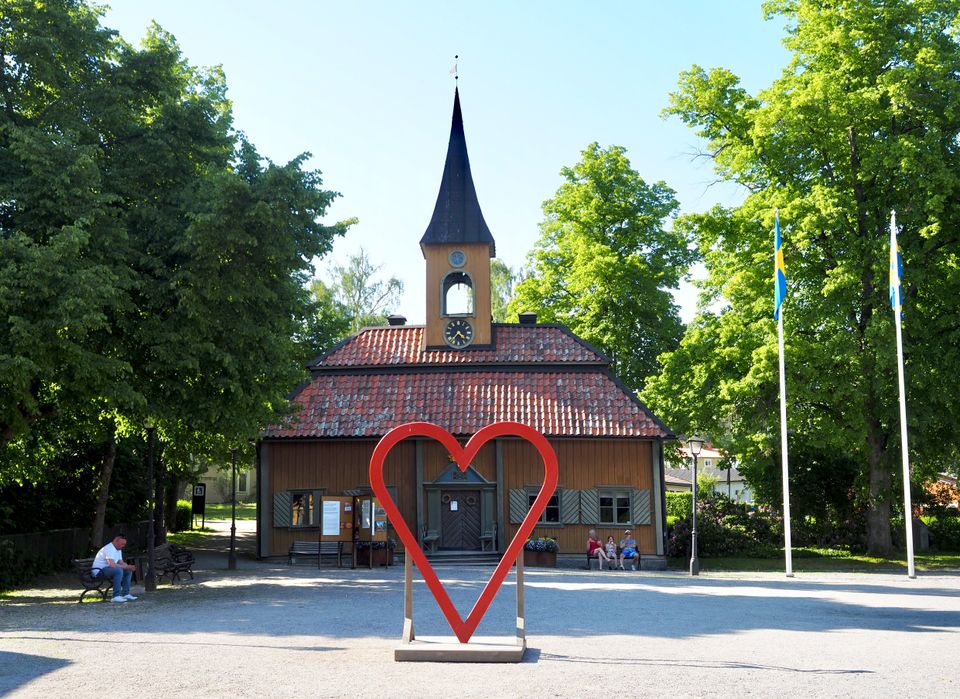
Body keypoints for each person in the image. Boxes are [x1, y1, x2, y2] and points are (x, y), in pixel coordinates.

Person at [92, 534, 138, 602]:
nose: (123, 546)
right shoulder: (109, 548)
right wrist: (126, 567)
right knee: (118, 571)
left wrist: (128, 567)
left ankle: (126, 594)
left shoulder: (118, 549)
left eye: (124, 544)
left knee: (128, 571)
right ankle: (115, 596)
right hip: (99, 572)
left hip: (108, 570)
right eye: (122, 544)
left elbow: (121, 562)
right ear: (116, 541)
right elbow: (112, 565)